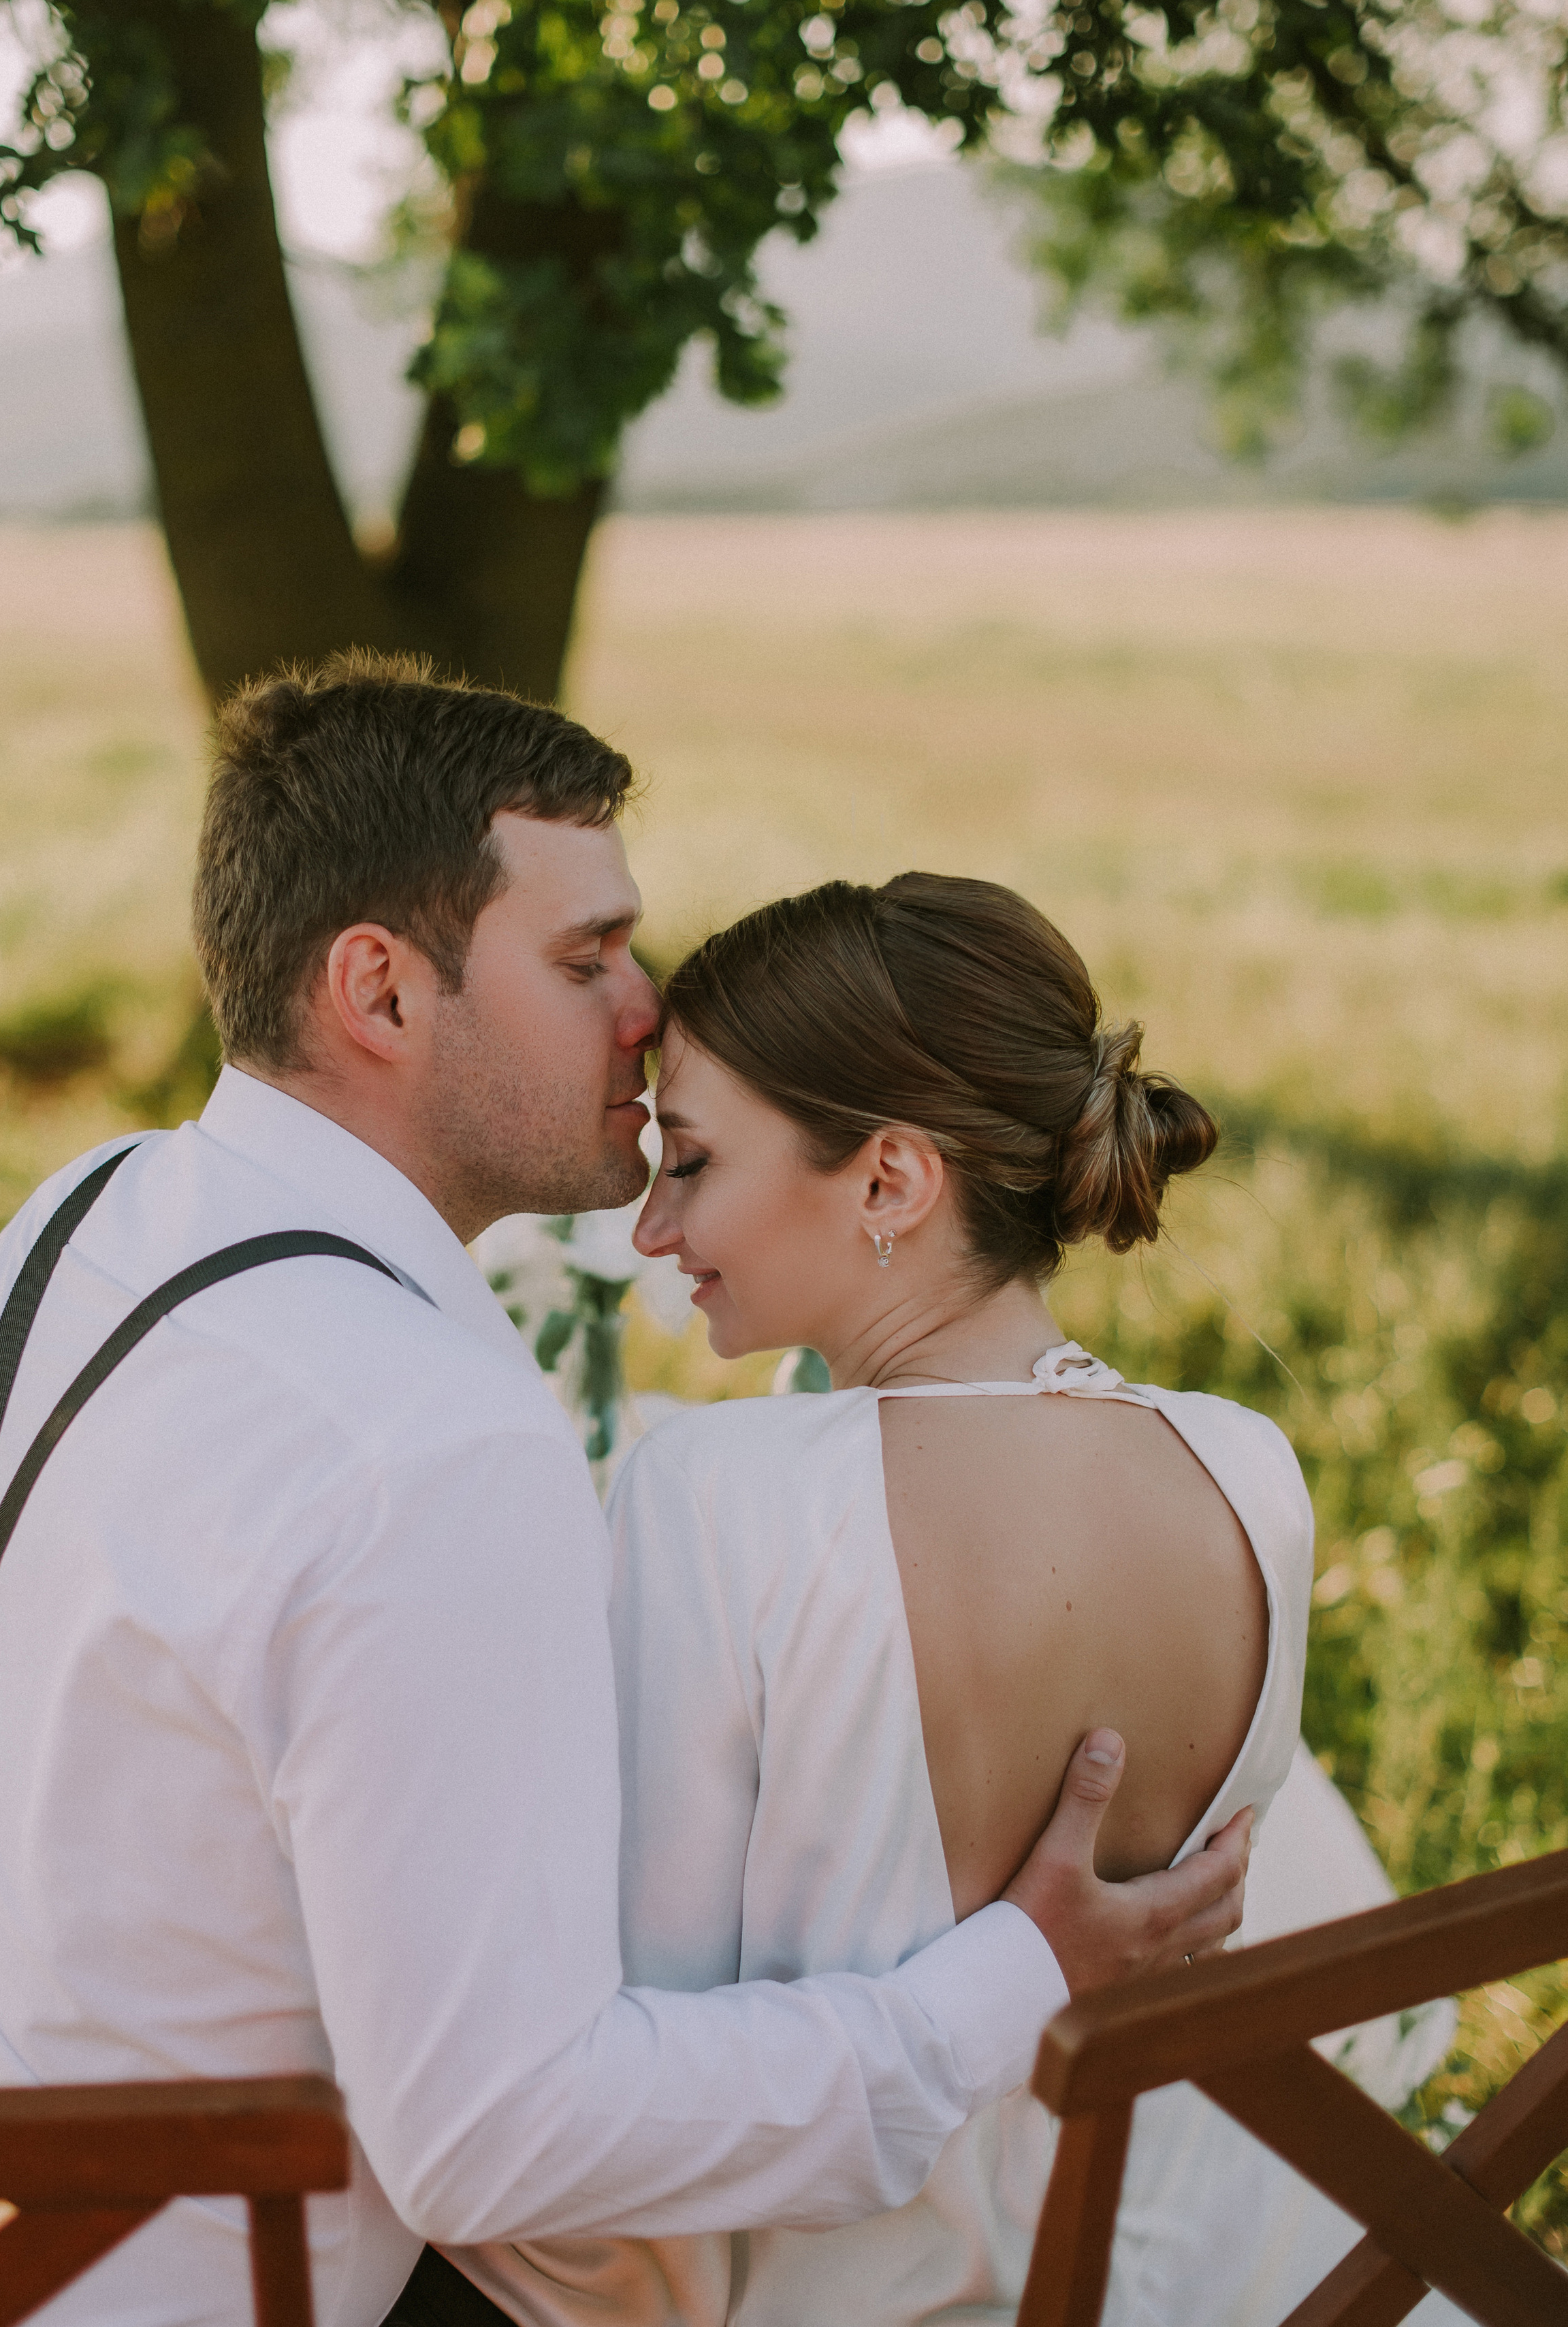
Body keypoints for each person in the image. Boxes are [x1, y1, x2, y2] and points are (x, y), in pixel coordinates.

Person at [0, 665, 1249, 2327]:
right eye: (585, 960)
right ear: (381, 991)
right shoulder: (437, 1449)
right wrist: (1014, 1979)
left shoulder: (91, 1210)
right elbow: (502, 2143)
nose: (646, 1010)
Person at [449, 873, 1313, 2327]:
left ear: (891, 1183)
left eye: (694, 1162)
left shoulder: (720, 1497)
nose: (651, 1233)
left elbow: (634, 2096)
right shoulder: (1247, 1472)